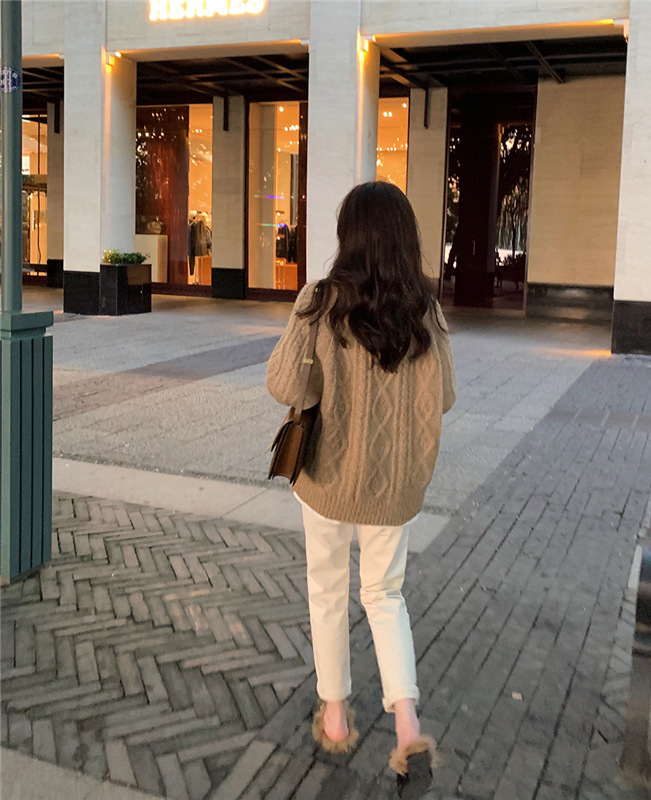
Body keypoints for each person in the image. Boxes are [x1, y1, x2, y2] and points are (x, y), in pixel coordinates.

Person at [267, 181, 456, 798]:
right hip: (395, 487)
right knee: (385, 594)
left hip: (326, 479)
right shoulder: (425, 310)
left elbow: (283, 385)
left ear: (348, 236)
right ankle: (407, 726)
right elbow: (444, 398)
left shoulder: (320, 301)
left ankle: (336, 715)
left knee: (327, 588)